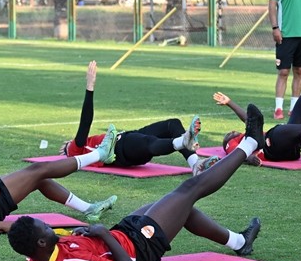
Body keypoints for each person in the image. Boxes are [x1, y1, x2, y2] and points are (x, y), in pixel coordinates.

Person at [7, 104, 268, 261]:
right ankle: (250, 143)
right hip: (139, 250)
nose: (51, 227)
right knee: (189, 189)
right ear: (41, 243)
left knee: (178, 207)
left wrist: (87, 235)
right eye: (46, 229)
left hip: (124, 236)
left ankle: (239, 242)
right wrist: (102, 234)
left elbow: (66, 249)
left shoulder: (39, 252)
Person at [62, 61, 207, 175]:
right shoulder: (76, 151)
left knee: (172, 124)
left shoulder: (86, 146)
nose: (70, 141)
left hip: (128, 138)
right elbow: (85, 124)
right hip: (120, 149)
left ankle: (195, 164)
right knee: (150, 143)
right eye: (67, 144)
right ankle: (183, 141)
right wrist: (90, 87)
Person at [217, 57, 301, 172]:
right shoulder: (233, 144)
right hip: (271, 146)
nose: (232, 132)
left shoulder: (246, 136)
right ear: (228, 141)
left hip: (281, 145)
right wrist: (249, 158)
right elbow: (235, 155)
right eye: (228, 134)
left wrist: (229, 102)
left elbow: (248, 119)